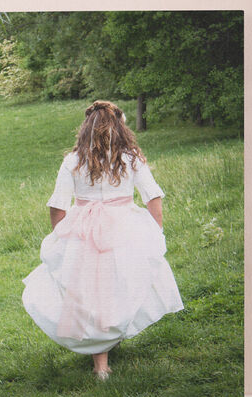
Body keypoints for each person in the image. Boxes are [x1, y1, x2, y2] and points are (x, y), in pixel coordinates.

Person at [22, 100, 185, 380]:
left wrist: (60, 234)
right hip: (124, 226)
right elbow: (152, 195)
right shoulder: (129, 157)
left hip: (82, 228)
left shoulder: (73, 161)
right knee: (118, 284)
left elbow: (58, 205)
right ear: (120, 128)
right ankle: (103, 357)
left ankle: (102, 359)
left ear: (85, 129)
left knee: (90, 291)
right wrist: (155, 230)